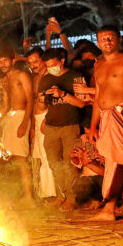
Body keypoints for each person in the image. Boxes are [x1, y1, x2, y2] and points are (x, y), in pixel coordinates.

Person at [88, 25, 123, 225]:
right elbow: (97, 98)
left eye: (110, 38)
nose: (107, 42)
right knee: (113, 163)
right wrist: (93, 126)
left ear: (118, 40)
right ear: (98, 42)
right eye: (103, 39)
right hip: (107, 118)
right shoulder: (99, 65)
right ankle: (109, 208)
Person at [37, 48, 85, 210]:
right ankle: (60, 195)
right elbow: (42, 103)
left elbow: (82, 103)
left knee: (70, 163)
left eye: (54, 65)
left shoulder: (75, 76)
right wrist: (43, 99)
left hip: (70, 126)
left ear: (62, 61)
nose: (51, 68)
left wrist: (62, 94)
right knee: (54, 163)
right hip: (51, 126)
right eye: (48, 66)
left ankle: (72, 198)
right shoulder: (46, 79)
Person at [0, 48, 34, 203]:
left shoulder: (22, 75)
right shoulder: (5, 79)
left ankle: (29, 197)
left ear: (12, 61)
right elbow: (6, 104)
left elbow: (30, 100)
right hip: (10, 117)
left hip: (21, 116)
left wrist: (24, 123)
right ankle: (17, 193)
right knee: (9, 157)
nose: (2, 64)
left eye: (5, 60)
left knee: (21, 158)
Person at [26, 47, 56, 199]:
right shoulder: (35, 78)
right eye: (30, 62)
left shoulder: (50, 75)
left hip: (47, 118)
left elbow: (53, 101)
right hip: (37, 119)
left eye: (36, 61)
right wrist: (32, 126)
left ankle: (52, 194)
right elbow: (34, 101)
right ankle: (45, 193)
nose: (33, 65)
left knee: (47, 157)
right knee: (40, 157)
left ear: (43, 60)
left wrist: (47, 119)